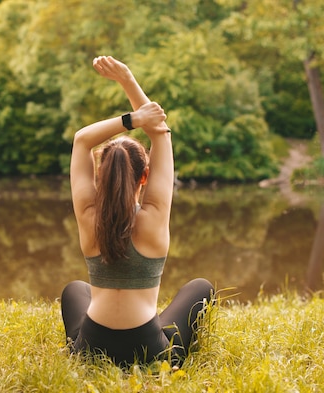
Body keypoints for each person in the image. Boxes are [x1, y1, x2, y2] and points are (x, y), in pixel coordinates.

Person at [61, 55, 215, 368]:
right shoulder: (154, 216)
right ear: (144, 176)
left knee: (75, 289)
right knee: (201, 288)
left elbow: (81, 141)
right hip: (147, 349)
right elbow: (161, 132)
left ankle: (80, 351)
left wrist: (132, 119)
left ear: (100, 175)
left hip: (92, 346)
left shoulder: (89, 215)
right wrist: (129, 81)